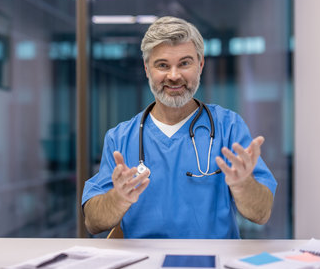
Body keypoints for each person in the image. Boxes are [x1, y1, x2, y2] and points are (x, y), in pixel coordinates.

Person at [82, 16, 277, 239]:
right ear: (147, 69)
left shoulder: (228, 127)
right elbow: (93, 222)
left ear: (200, 65)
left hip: (211, 262)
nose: (174, 76)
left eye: (184, 63)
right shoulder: (120, 138)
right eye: (162, 65)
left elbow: (261, 214)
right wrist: (118, 199)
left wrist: (244, 185)